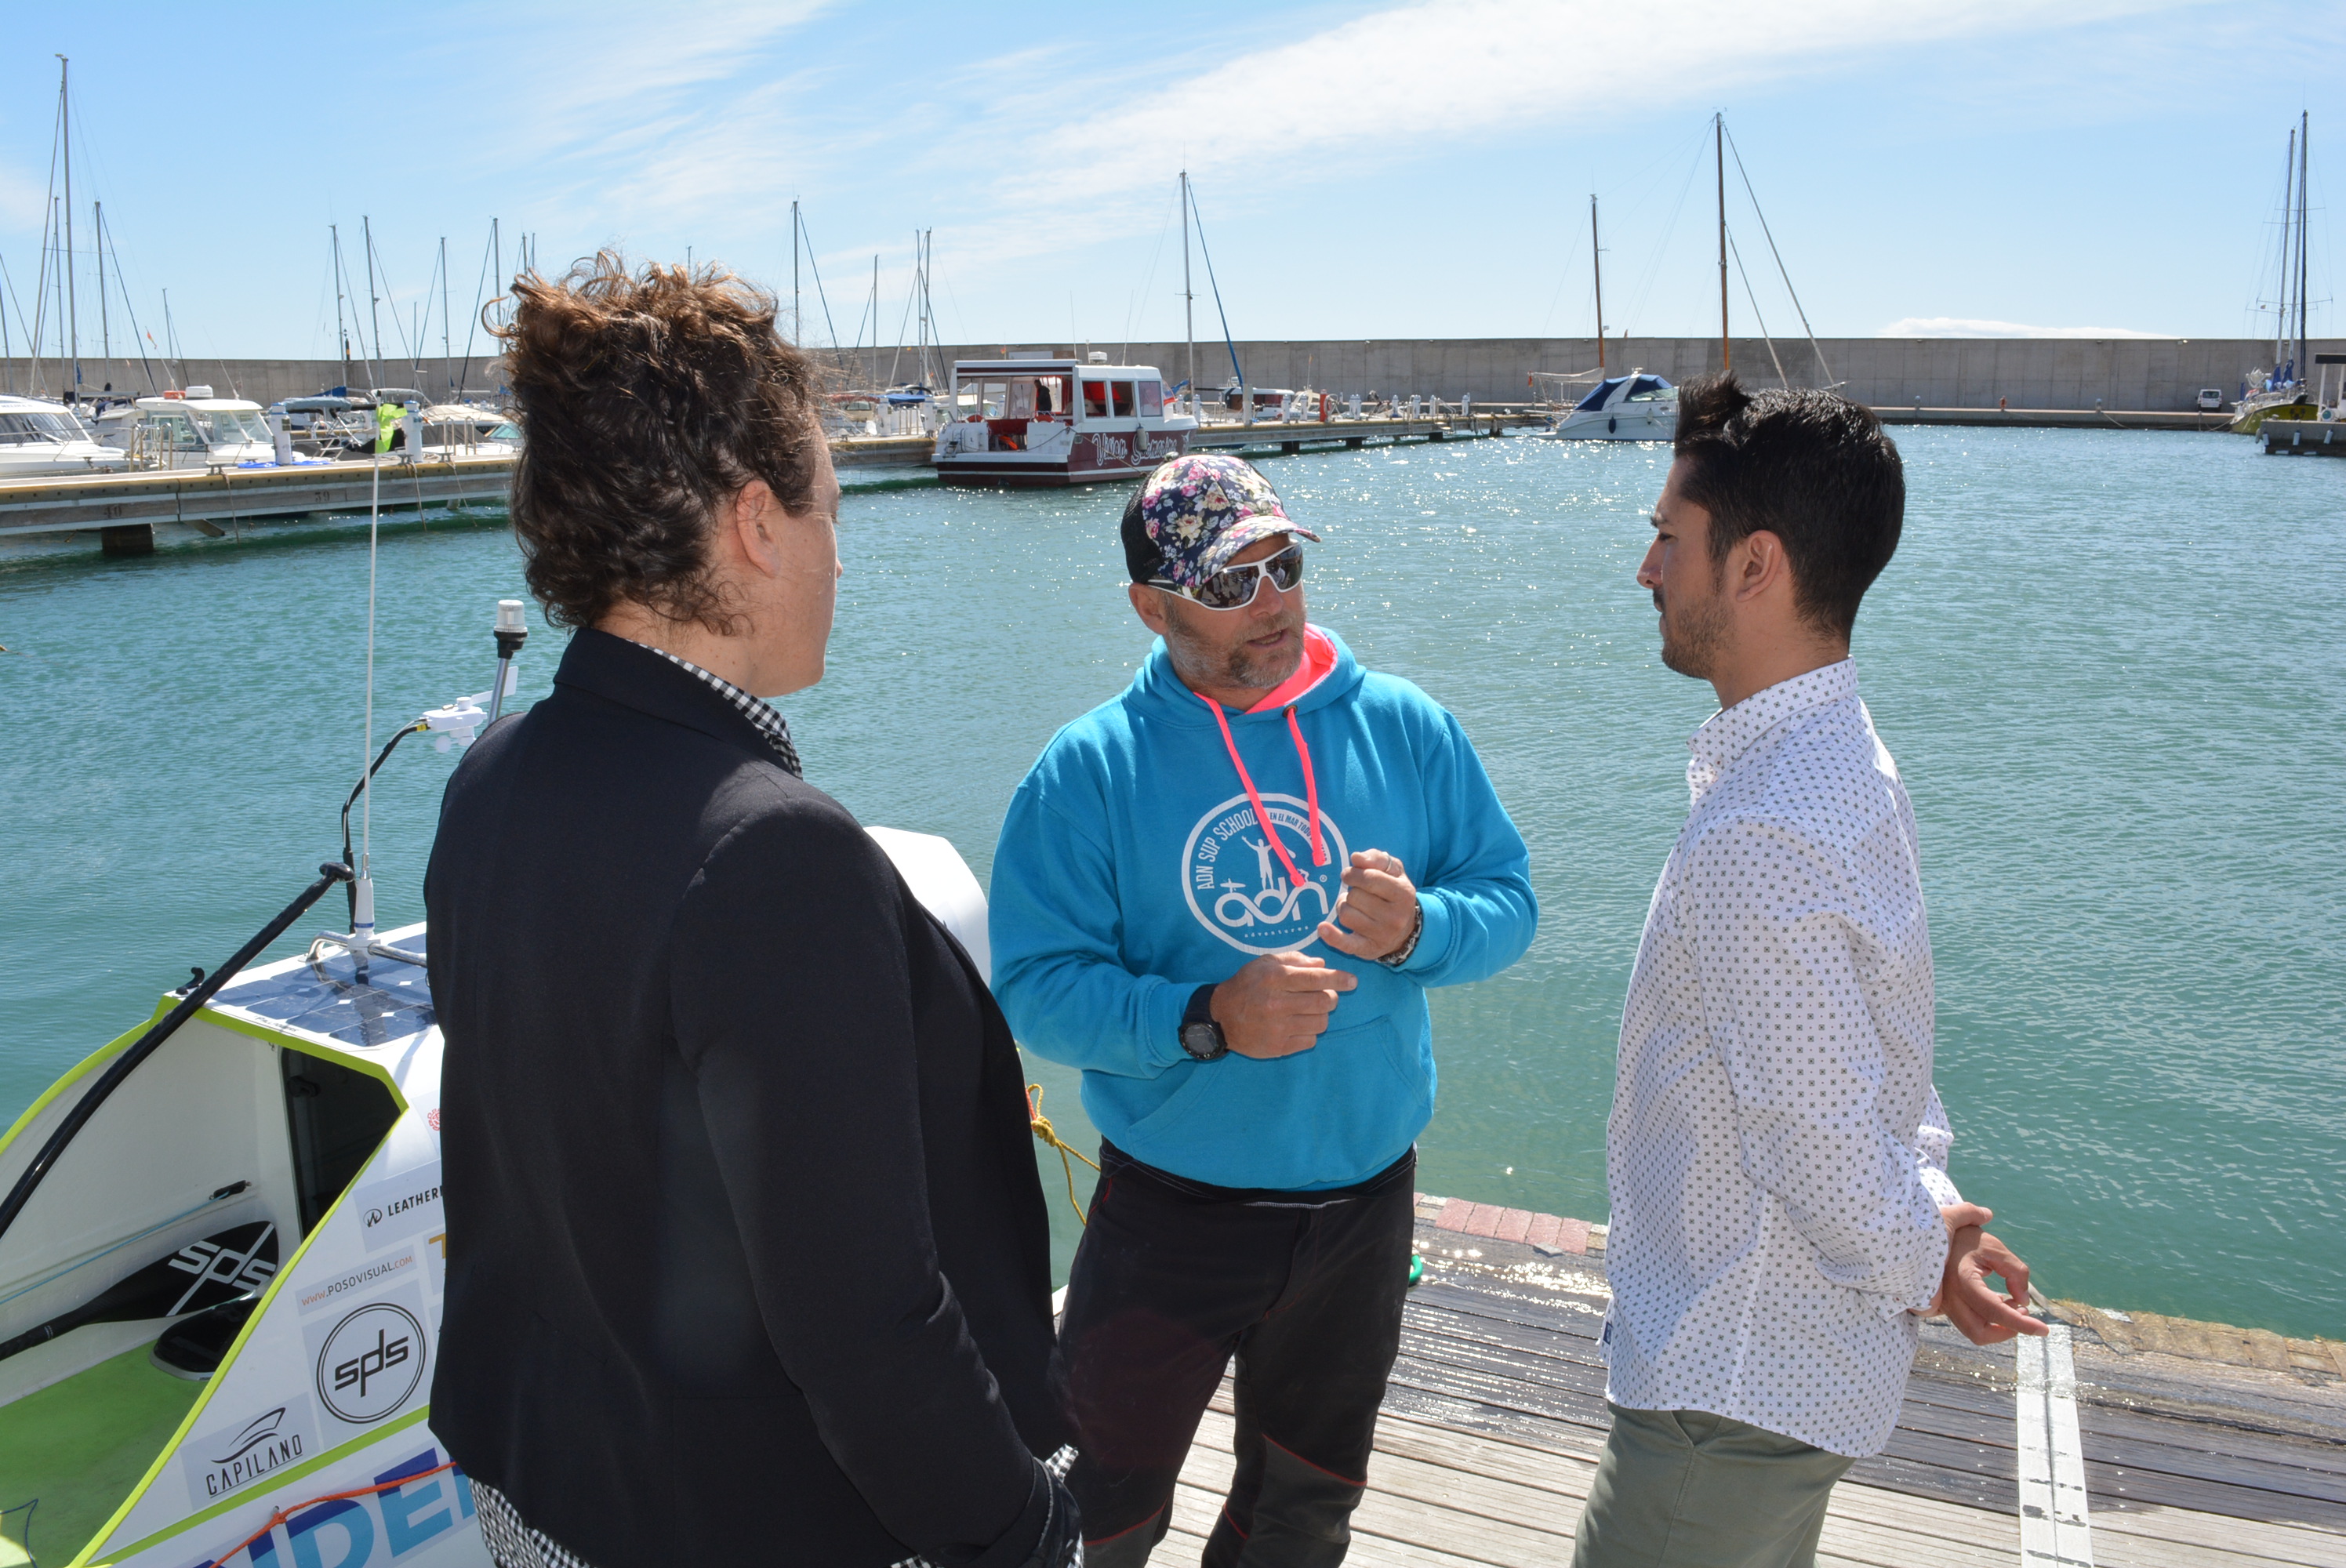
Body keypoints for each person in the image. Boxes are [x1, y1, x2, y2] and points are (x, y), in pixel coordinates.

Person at [424, 255, 1077, 1568]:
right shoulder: (771, 852)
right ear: (756, 525)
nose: (842, 557)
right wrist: (1021, 1529)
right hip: (758, 1522)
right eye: (832, 515)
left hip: (547, 1486)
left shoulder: (496, 776)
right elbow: (864, 1319)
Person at [990, 452, 1538, 1566]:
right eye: (1230, 584)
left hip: (1364, 1211)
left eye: (1282, 566)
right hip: (1171, 1214)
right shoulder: (1088, 769)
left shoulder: (1406, 727)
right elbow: (1037, 991)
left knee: (1305, 1508)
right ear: (1152, 605)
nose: (1274, 602)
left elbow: (1510, 901)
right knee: (1098, 1507)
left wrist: (1422, 930)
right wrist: (1203, 1017)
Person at [1577, 375, 2043, 1568]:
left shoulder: (1761, 829)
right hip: (1783, 1374)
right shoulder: (1850, 763)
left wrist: (1924, 1264)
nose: (1648, 573)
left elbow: (1816, 1140)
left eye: (1667, 540)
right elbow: (1886, 1054)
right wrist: (1934, 1217)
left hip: (1726, 1384)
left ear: (1755, 565)